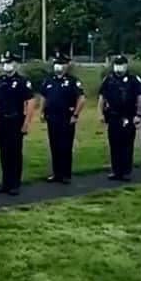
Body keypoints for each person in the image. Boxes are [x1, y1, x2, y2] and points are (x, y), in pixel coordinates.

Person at [0, 51, 36, 196]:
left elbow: (30, 101)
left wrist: (27, 122)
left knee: (15, 152)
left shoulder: (22, 82)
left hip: (16, 121)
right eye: (5, 62)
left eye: (9, 62)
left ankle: (15, 183)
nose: (6, 65)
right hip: (1, 120)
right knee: (4, 152)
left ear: (15, 64)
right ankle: (5, 182)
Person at [39, 51, 85, 184]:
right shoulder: (49, 80)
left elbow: (81, 99)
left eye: (61, 64)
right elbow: (44, 97)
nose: (58, 66)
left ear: (66, 65)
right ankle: (56, 173)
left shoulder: (73, 81)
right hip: (52, 117)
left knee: (65, 146)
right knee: (54, 145)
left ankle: (66, 174)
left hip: (66, 117)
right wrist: (41, 112)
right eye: (56, 63)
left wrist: (75, 114)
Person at [98, 55, 141, 181]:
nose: (119, 67)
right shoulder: (109, 79)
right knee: (114, 143)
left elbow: (140, 97)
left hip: (128, 115)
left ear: (126, 65)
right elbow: (102, 97)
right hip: (113, 116)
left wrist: (138, 115)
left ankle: (126, 171)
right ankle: (116, 170)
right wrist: (100, 113)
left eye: (121, 64)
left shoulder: (133, 79)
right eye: (117, 64)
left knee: (127, 144)